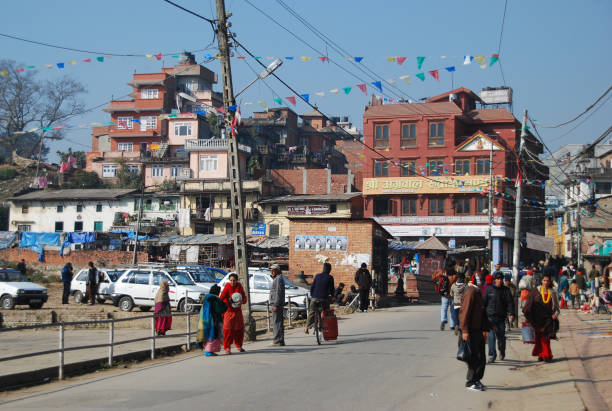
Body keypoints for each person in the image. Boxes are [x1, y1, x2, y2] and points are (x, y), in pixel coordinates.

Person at [459, 278, 490, 391]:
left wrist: (489, 326)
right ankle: (471, 381)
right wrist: (465, 330)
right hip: (471, 330)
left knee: (481, 357)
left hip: (478, 330)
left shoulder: (477, 293)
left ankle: (476, 379)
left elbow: (481, 313)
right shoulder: (471, 293)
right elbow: (465, 312)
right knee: (474, 357)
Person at [523, 273, 560, 363]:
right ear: (541, 281)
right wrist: (528, 316)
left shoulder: (553, 292)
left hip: (548, 318)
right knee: (539, 337)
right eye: (544, 280)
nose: (546, 282)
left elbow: (557, 307)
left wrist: (556, 314)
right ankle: (540, 354)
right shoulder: (536, 291)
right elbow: (529, 304)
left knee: (546, 337)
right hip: (537, 319)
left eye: (547, 281)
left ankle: (547, 355)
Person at [483, 272, 515, 363]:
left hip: (501, 318)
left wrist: (512, 314)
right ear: (494, 280)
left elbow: (510, 303)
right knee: (491, 337)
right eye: (498, 279)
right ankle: (492, 355)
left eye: (501, 279)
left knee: (501, 338)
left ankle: (502, 350)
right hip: (490, 318)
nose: (499, 280)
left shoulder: (506, 290)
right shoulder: (489, 290)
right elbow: (483, 303)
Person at [220, 273, 248, 354]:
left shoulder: (239, 286)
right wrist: (228, 301)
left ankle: (239, 345)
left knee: (239, 329)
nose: (232, 282)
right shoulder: (227, 286)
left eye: (234, 281)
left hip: (238, 312)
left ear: (237, 280)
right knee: (228, 330)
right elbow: (221, 298)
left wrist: (242, 301)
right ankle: (227, 347)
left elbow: (244, 298)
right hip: (229, 312)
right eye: (231, 280)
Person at [197, 284, 227, 356]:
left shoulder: (206, 298)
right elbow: (219, 309)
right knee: (212, 335)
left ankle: (209, 350)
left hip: (204, 319)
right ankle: (209, 351)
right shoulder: (215, 299)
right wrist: (226, 305)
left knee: (206, 334)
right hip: (213, 319)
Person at [305, 262, 335, 333]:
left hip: (315, 297)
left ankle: (306, 327)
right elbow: (332, 289)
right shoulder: (330, 277)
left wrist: (313, 296)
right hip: (324, 298)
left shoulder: (317, 276)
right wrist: (333, 296)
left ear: (323, 269)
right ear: (329, 270)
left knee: (311, 312)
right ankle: (324, 327)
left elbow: (312, 287)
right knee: (326, 311)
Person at [269, 264, 285, 346]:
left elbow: (278, 293)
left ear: (277, 271)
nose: (271, 272)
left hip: (277, 304)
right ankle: (280, 340)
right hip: (277, 304)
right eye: (271, 270)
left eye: (273, 270)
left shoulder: (278, 279)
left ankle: (277, 340)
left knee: (277, 322)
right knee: (278, 322)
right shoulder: (278, 278)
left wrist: (276, 304)